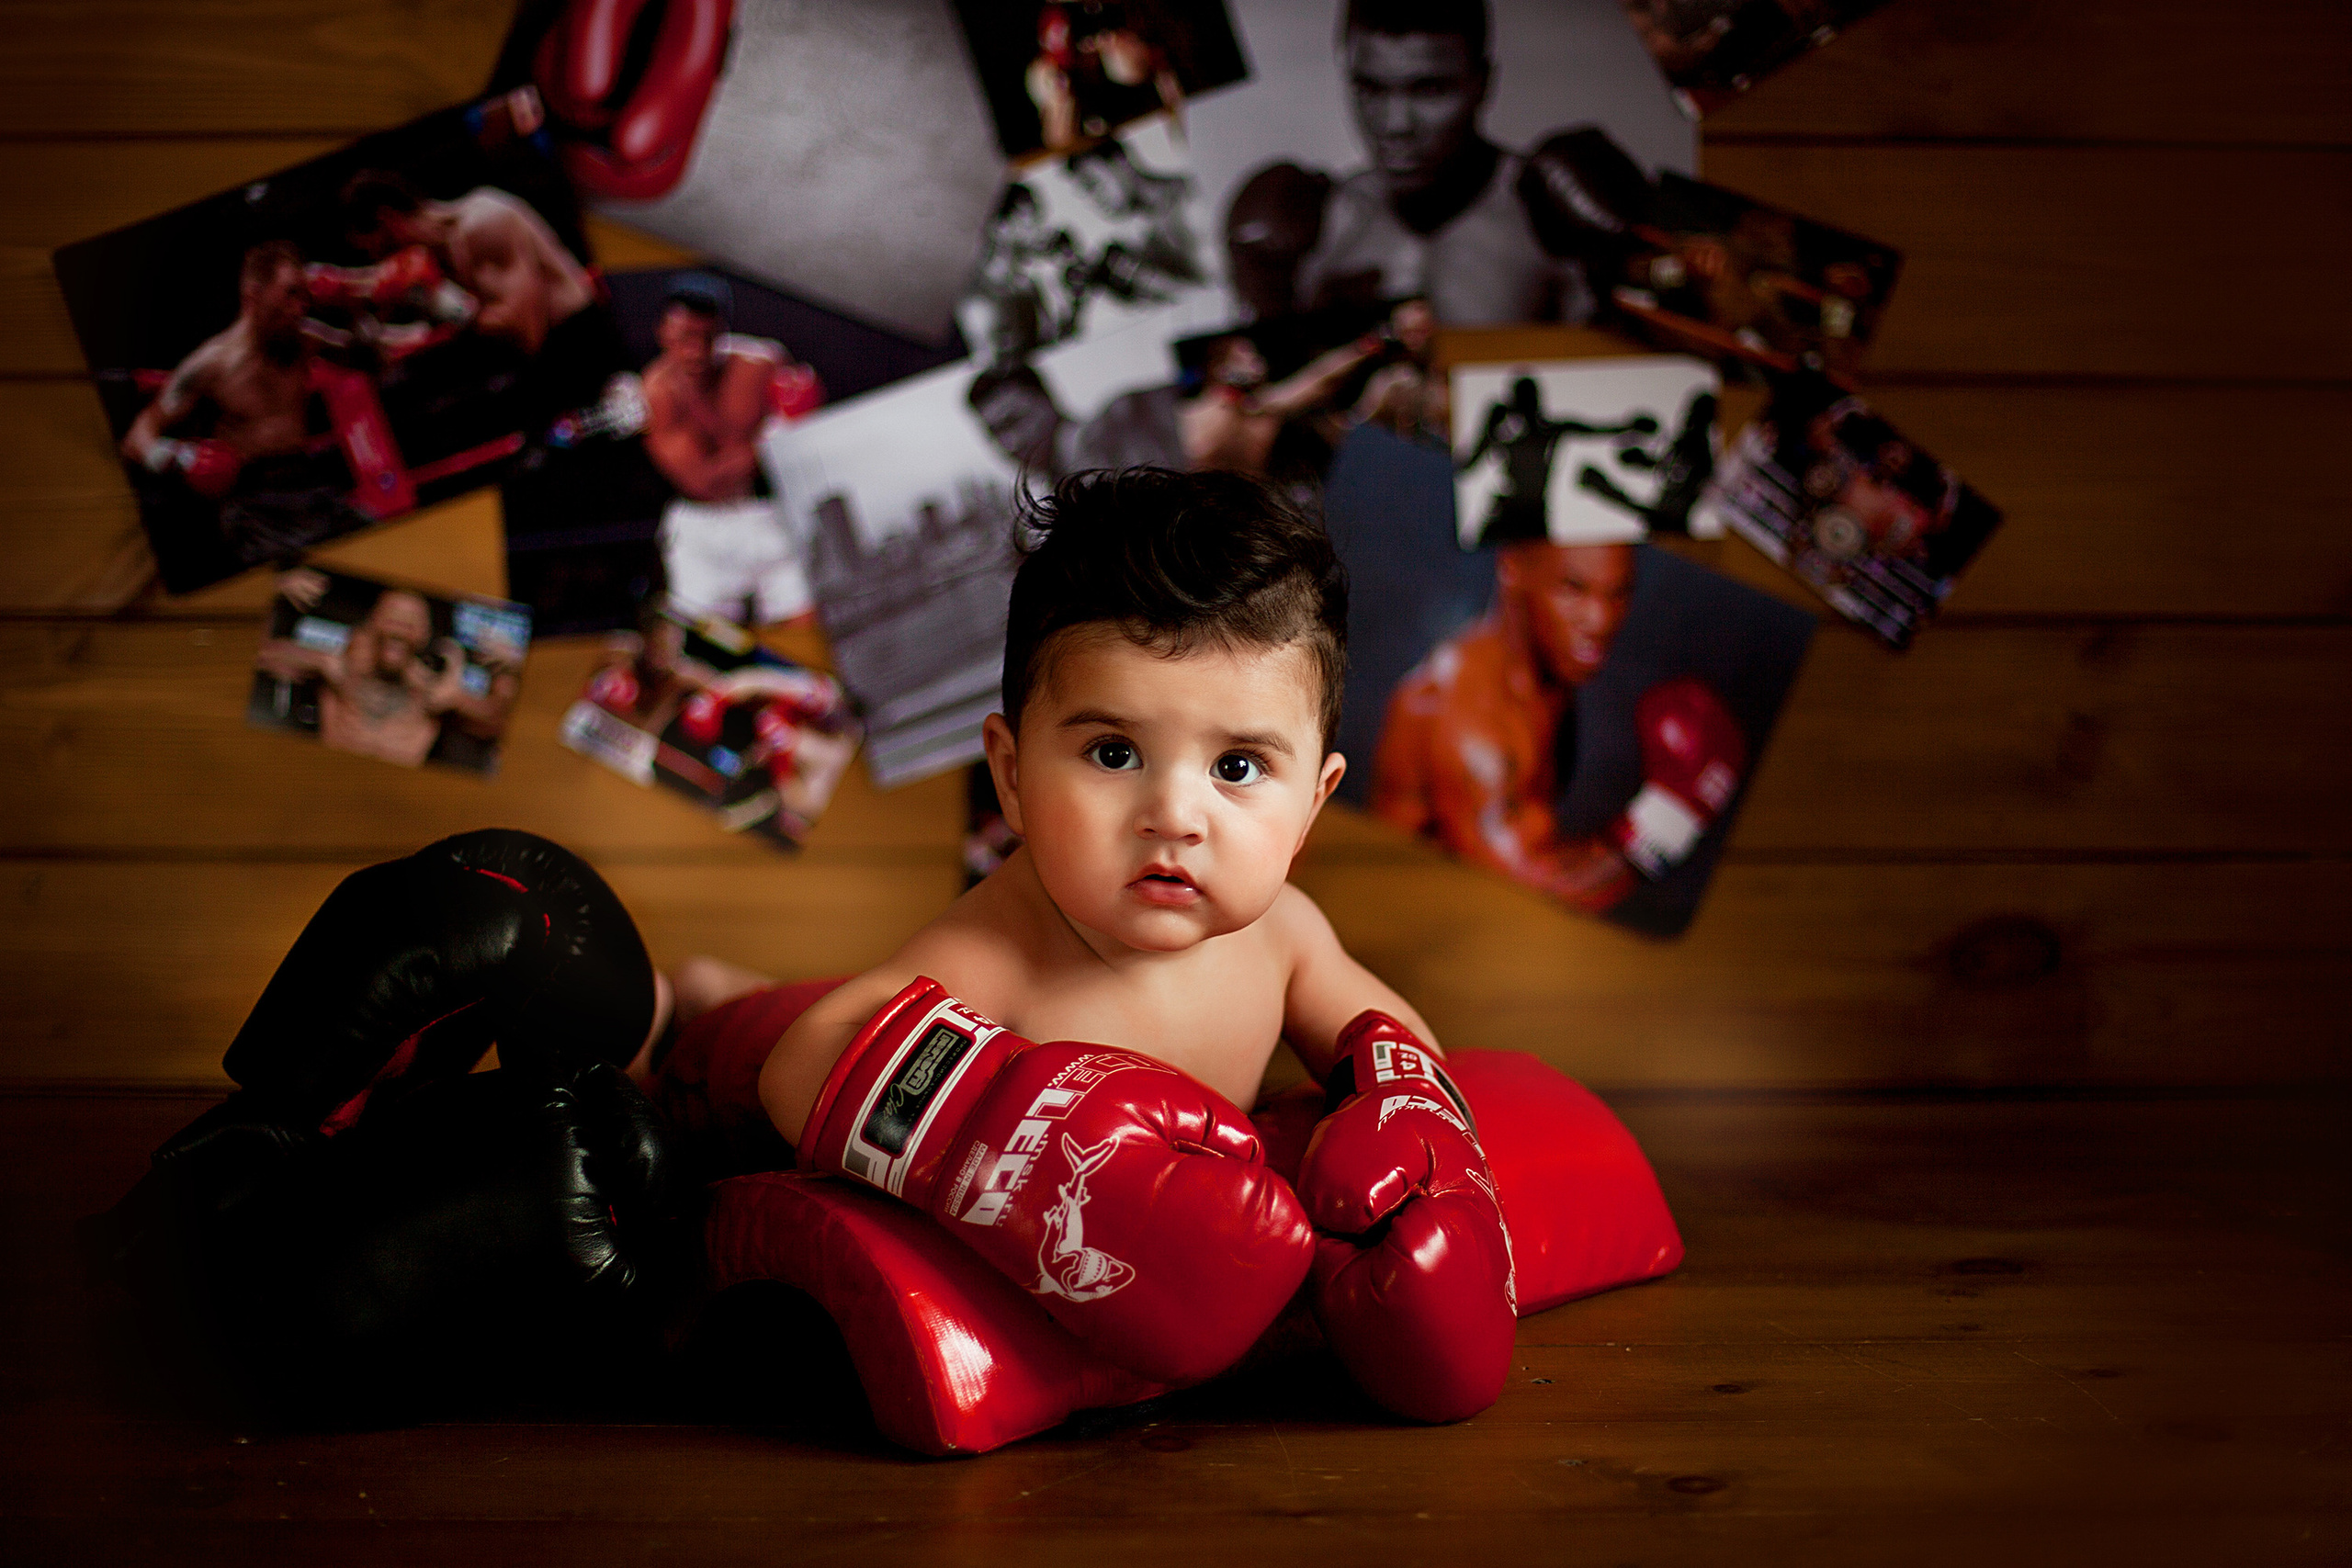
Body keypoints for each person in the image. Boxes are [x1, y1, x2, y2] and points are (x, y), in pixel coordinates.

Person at [641, 467, 1521, 1418]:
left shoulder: (1285, 936)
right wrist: (1010, 1128)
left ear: (1312, 801)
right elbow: (803, 1064)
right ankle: (685, 1002)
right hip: (749, 1061)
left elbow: (1393, 1047)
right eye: (1113, 753)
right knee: (716, 1044)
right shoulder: (1004, 943)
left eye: (1237, 767)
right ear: (1012, 775)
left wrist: (1415, 1144)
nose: (1174, 815)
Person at [1368, 540, 1747, 912]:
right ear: (1513, 568)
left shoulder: (1543, 673)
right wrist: (1665, 820)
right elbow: (1531, 899)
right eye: (1572, 589)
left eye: (1617, 594)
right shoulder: (1476, 729)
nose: (1601, 620)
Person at [1223, 0, 1651, 325]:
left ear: (1483, 83)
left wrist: (1631, 259)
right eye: (1371, 89)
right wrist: (1263, 294)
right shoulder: (1320, 225)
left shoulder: (1545, 219)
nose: (1395, 125)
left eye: (1429, 91)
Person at [119, 241, 377, 564]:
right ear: (254, 294)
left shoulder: (303, 339)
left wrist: (354, 308)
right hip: (255, 506)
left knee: (383, 542)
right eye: (289, 294)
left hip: (308, 484)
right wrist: (179, 457)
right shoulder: (211, 363)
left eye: (303, 295)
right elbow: (137, 437)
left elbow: (370, 359)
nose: (300, 307)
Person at [336, 169, 624, 433]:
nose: (384, 261)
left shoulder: (482, 223)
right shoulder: (439, 258)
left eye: (379, 250)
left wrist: (442, 304)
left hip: (579, 347)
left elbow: (526, 331)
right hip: (544, 366)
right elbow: (463, 326)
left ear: (389, 220)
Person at [639, 274, 814, 625]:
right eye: (686, 338)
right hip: (702, 527)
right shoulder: (656, 393)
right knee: (705, 648)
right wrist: (775, 437)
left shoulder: (762, 363)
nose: (697, 352)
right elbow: (702, 482)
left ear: (723, 331)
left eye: (709, 338)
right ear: (663, 334)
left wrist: (795, 429)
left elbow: (805, 448)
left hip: (765, 513)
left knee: (806, 626)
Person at [254, 570, 521, 769]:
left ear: (426, 634)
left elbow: (501, 726)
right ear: (371, 624)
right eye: (392, 615)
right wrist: (277, 588)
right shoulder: (340, 667)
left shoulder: (435, 689)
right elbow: (262, 655)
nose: (402, 625)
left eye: (412, 621)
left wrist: (510, 665)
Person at [1454, 375, 1658, 546]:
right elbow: (1464, 468)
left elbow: (1595, 430)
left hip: (1533, 514)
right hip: (1505, 510)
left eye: (1529, 400)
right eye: (1522, 401)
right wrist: (1486, 430)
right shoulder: (1505, 434)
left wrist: (1628, 427)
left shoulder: (1549, 432)